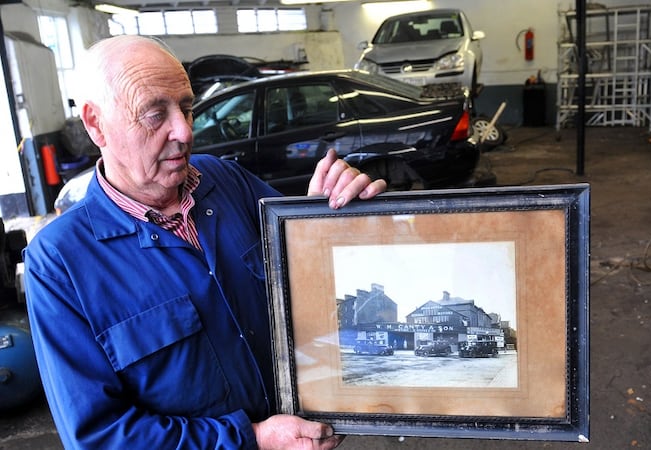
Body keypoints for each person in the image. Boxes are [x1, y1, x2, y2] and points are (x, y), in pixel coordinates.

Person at [23, 35, 385, 449]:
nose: (183, 129)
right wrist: (251, 439)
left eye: (187, 107)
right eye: (155, 114)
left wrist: (329, 220)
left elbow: (314, 287)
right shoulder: (59, 263)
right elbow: (99, 437)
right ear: (95, 123)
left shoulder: (228, 183)